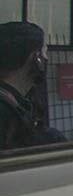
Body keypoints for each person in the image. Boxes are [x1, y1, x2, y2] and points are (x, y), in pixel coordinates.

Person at [0, 21, 61, 150]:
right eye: (45, 51)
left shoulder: (18, 103)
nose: (46, 58)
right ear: (35, 57)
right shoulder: (5, 110)